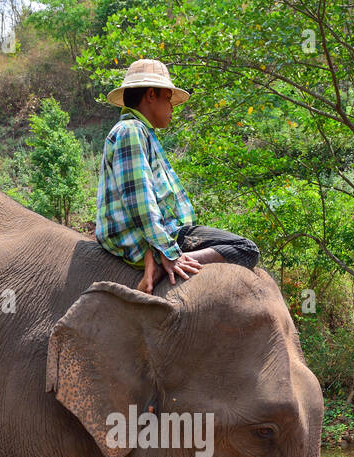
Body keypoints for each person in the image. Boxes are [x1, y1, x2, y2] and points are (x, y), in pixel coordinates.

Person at [96, 58, 260, 294]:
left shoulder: (142, 133)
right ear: (151, 95)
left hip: (165, 233)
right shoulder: (131, 131)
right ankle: (160, 265)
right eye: (168, 98)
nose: (172, 107)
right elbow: (140, 201)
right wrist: (169, 253)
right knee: (246, 249)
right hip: (153, 237)